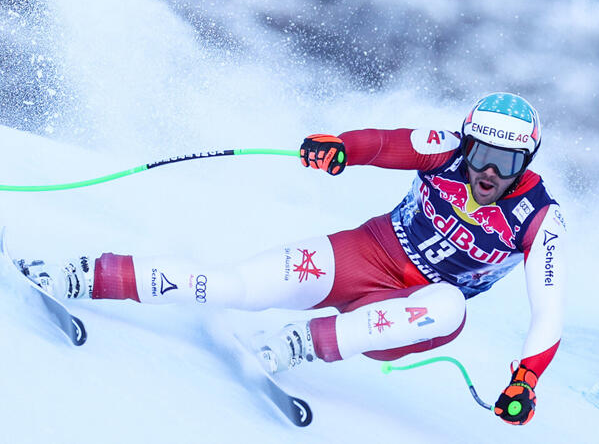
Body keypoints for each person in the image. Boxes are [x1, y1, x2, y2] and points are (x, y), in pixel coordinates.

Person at [18, 92, 566, 426]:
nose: (488, 171)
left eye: (506, 160)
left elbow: (548, 311)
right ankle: (81, 275)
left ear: (527, 160)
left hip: (410, 312)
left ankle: (291, 347)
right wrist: (341, 148)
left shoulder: (541, 217)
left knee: (450, 305)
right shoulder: (446, 147)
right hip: (367, 252)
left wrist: (525, 380)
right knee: (236, 286)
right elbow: (381, 144)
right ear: (468, 142)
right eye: (481, 154)